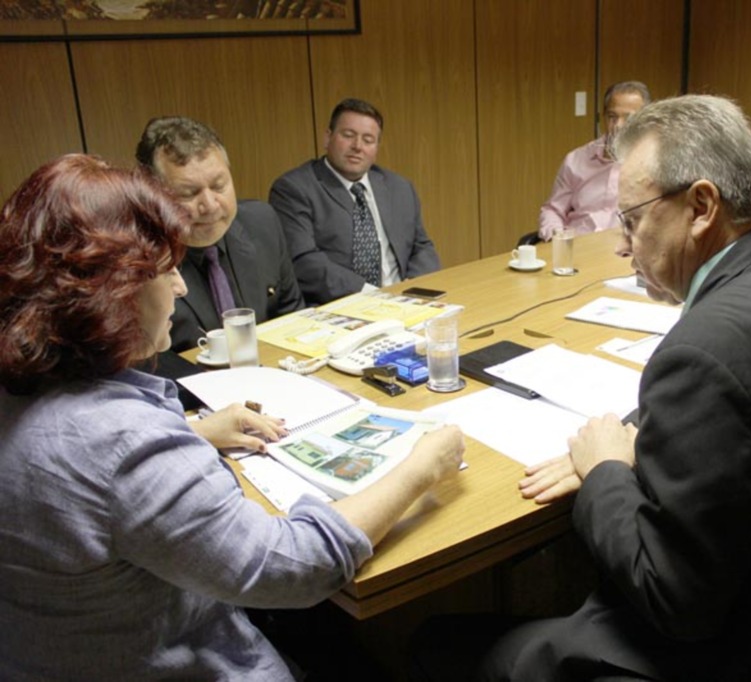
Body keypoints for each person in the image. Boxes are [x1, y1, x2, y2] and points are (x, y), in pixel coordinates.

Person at [411, 95, 751, 681]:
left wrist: (605, 468)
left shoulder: (703, 352)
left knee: (450, 650)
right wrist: (644, 432)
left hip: (744, 654)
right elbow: (750, 415)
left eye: (631, 219)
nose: (620, 243)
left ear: (702, 206)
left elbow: (673, 599)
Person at [0, 154, 465, 680]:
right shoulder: (122, 442)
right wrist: (421, 466)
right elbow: (294, 566)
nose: (179, 287)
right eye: (166, 270)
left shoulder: (25, 388)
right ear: (112, 289)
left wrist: (195, 430)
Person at [136, 116, 306, 353]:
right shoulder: (138, 258)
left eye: (219, 186)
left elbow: (292, 319)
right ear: (152, 195)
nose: (210, 205)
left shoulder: (262, 222)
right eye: (188, 193)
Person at [269, 98, 441, 304]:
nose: (357, 146)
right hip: (341, 306)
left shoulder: (400, 187)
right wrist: (372, 295)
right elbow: (303, 261)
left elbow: (421, 245)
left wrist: (414, 287)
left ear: (376, 148)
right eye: (348, 135)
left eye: (368, 140)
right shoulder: (294, 189)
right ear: (327, 138)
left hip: (405, 300)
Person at [537, 81, 650, 241]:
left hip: (626, 254)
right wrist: (557, 237)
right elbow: (553, 210)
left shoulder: (657, 164)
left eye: (628, 118)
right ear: (603, 117)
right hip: (576, 250)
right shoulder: (576, 160)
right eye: (612, 117)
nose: (618, 125)